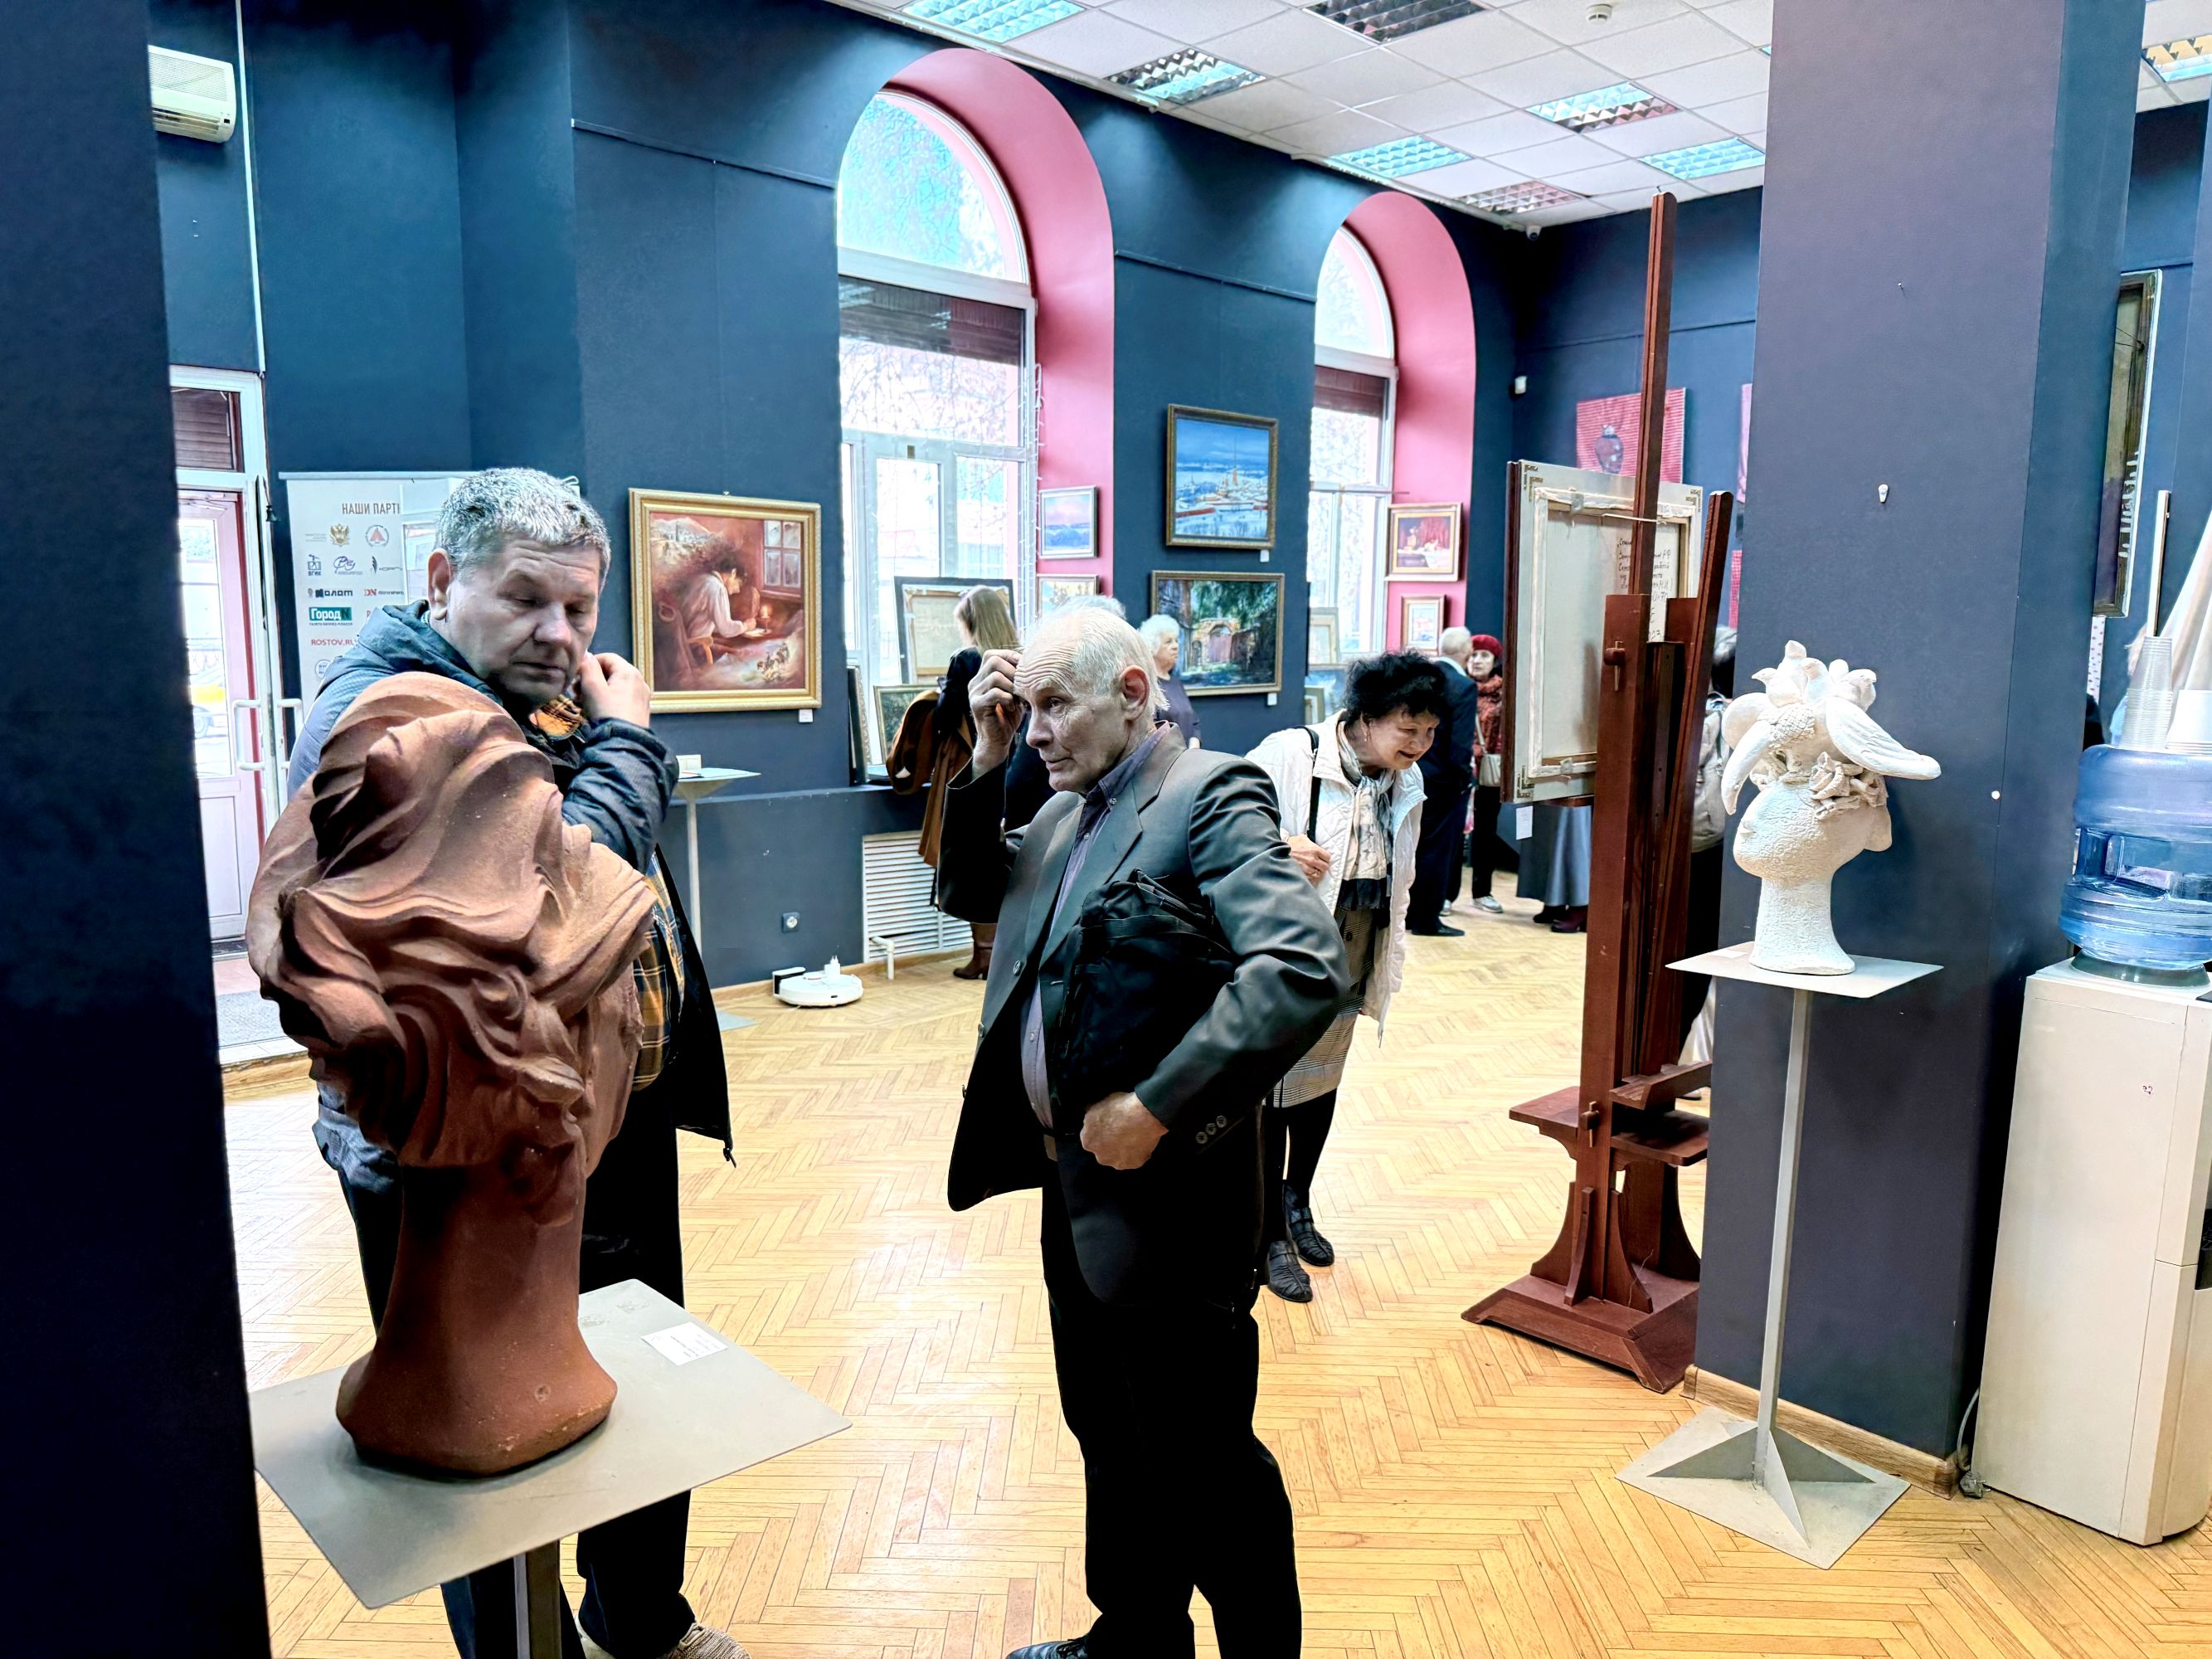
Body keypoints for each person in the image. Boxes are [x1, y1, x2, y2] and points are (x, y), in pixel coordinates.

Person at [285, 468, 742, 1659]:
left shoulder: (525, 695)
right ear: (443, 579)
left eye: (580, 607)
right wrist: (630, 743)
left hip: (596, 1113)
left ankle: (638, 1617)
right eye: (526, 599)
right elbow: (552, 898)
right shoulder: (387, 712)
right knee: (475, 1419)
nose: (560, 633)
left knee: (626, 1369)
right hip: (466, 1145)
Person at [936, 606, 1349, 1659]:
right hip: (1072, 1189)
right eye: (1026, 707)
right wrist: (985, 754)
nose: (1035, 728)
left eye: (1053, 705)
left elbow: (1300, 967)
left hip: (1171, 1202)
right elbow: (969, 890)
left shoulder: (1208, 793)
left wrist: (1159, 1102)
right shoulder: (1061, 813)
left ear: (1132, 693)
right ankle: (1136, 1634)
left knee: (1205, 1460)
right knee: (1107, 1429)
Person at [1248, 654, 1442, 1303]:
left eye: (1429, 732)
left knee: (1320, 1083)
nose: (1419, 744)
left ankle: (1297, 1201)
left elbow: (1400, 872)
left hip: (1356, 945)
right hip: (1286, 952)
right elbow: (1221, 823)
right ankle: (1267, 1233)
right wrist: (1278, 844)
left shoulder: (1405, 780)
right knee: (1269, 1092)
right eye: (1407, 729)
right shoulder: (1292, 752)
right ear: (1363, 718)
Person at [935, 586, 1025, 980]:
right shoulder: (1020, 658)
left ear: (970, 622)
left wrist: (942, 691)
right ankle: (1002, 955)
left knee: (979, 855)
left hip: (979, 770)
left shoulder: (967, 659)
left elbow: (944, 718)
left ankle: (984, 955)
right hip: (1018, 772)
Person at [1406, 628, 1483, 936]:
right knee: (1438, 851)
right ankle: (1427, 919)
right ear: (1467, 653)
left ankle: (1407, 914)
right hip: (1446, 783)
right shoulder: (1463, 686)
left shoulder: (1421, 679)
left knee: (1412, 847)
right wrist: (1465, 780)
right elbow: (1460, 746)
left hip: (1412, 773)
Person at [1459, 634, 1510, 915]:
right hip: (1459, 769)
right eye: (1474, 654)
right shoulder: (1458, 688)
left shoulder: (1503, 693)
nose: (1477, 660)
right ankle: (1445, 896)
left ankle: (1482, 892)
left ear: (1494, 661)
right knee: (1453, 834)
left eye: (1484, 656)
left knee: (1485, 833)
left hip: (1488, 771)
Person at [1139, 612, 1202, 747]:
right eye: (1168, 642)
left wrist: (1193, 750)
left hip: (1190, 755)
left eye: (1176, 640)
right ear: (1152, 647)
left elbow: (1194, 724)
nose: (1176, 646)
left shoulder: (1176, 683)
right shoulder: (1147, 685)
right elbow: (1151, 733)